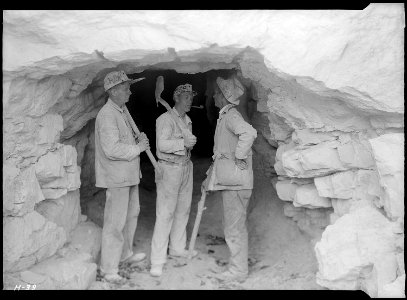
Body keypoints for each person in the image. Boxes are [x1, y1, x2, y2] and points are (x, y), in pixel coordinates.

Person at [95, 70, 150, 283]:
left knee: (131, 214)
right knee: (115, 222)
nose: (130, 91)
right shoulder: (108, 115)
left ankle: (125, 255)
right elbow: (111, 149)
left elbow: (124, 141)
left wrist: (138, 140)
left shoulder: (121, 111)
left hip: (129, 176)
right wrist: (138, 148)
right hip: (117, 178)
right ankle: (108, 269)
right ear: (115, 91)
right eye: (126, 87)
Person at [203, 76, 257, 283]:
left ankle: (238, 271)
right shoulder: (225, 116)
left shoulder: (231, 116)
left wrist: (240, 156)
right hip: (232, 181)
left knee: (234, 227)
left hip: (236, 183)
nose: (214, 96)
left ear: (224, 97)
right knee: (232, 225)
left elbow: (248, 133)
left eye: (217, 93)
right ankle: (237, 266)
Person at [150, 84, 198, 277]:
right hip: (169, 168)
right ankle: (157, 260)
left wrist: (187, 145)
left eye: (191, 98)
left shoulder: (187, 120)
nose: (190, 101)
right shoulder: (165, 119)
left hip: (185, 166)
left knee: (183, 209)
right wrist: (183, 143)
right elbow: (161, 145)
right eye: (186, 97)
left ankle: (177, 248)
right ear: (176, 98)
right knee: (165, 213)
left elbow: (188, 147)